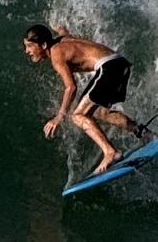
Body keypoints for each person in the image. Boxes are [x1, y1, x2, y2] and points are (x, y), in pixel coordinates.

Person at [23, 23, 150, 174]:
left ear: (43, 45)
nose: (27, 51)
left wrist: (59, 116)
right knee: (99, 112)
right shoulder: (63, 40)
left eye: (30, 46)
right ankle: (145, 133)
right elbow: (64, 32)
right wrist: (59, 29)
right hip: (120, 63)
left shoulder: (56, 53)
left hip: (108, 68)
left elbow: (71, 87)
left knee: (77, 116)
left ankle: (110, 152)